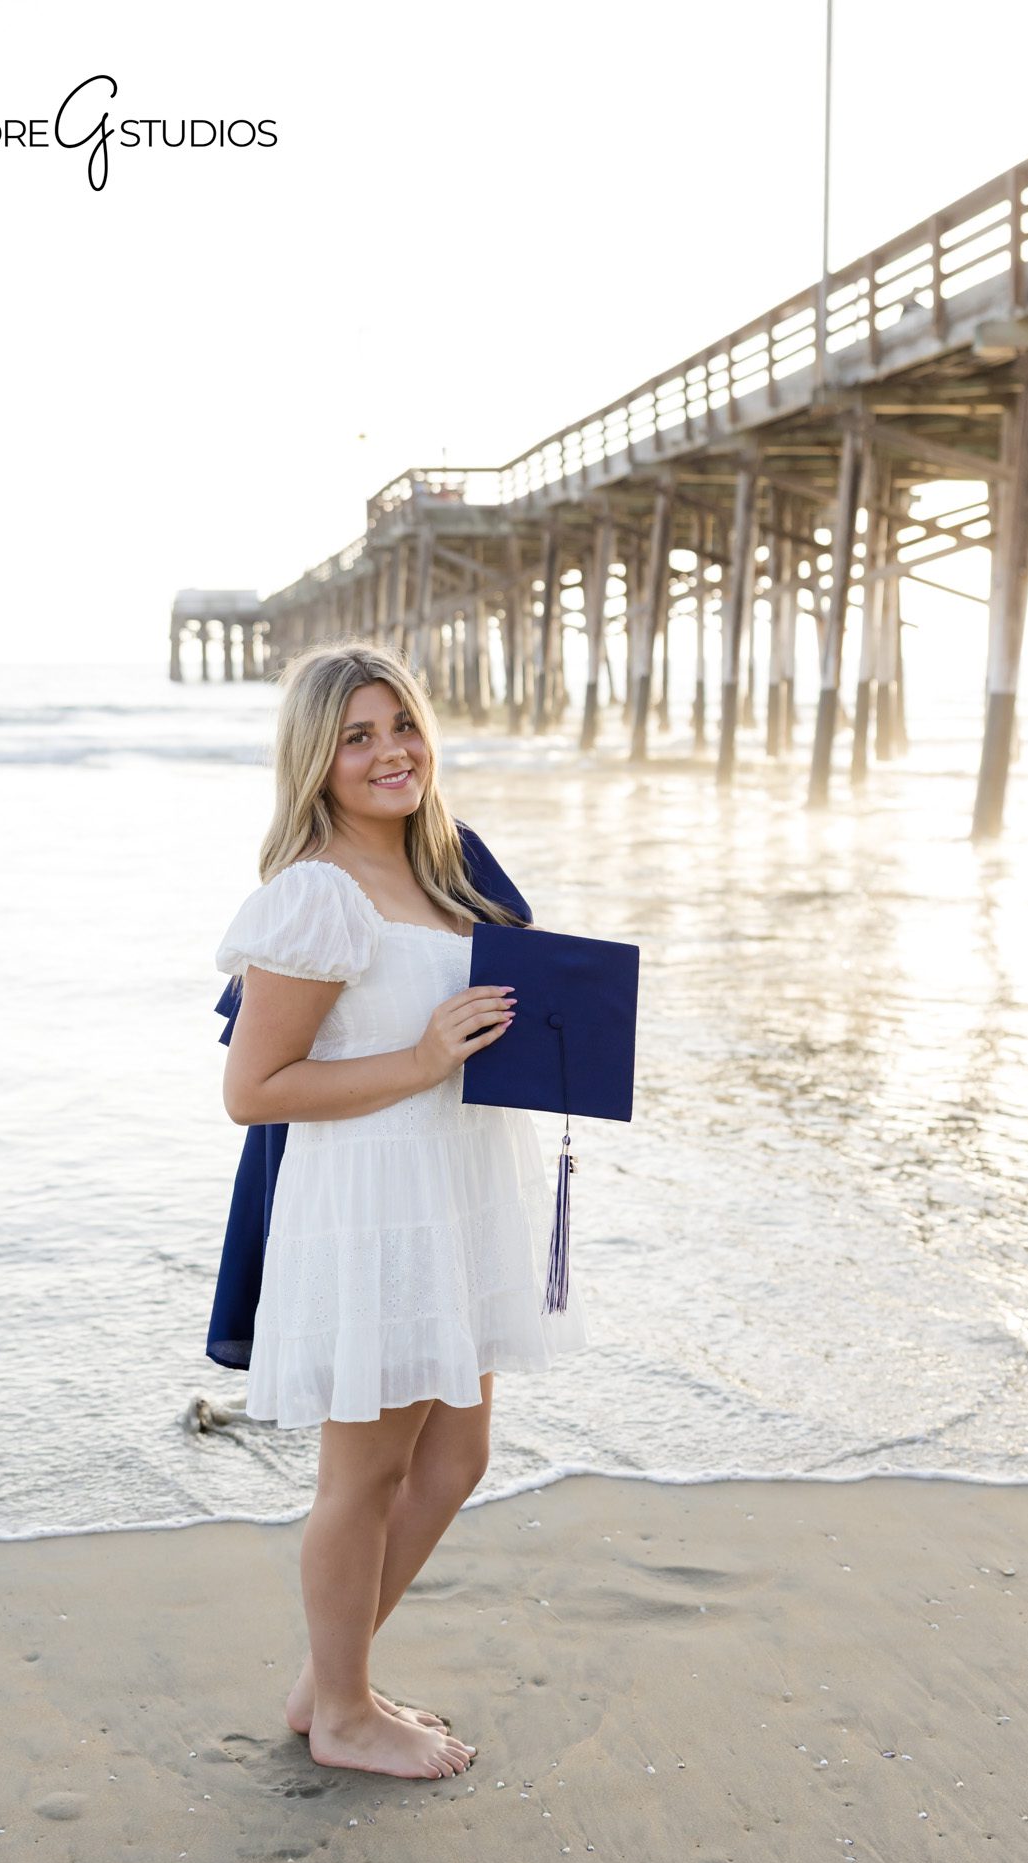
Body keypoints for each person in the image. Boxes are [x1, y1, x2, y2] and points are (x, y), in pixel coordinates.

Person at [213, 640, 591, 1781]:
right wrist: (426, 1055)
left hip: (460, 1192)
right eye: (358, 735)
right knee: (365, 1473)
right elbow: (254, 1092)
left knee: (457, 1455)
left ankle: (330, 1678)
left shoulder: (453, 871)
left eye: (403, 725)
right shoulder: (316, 894)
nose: (391, 752)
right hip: (374, 1202)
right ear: (316, 760)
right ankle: (341, 1708)